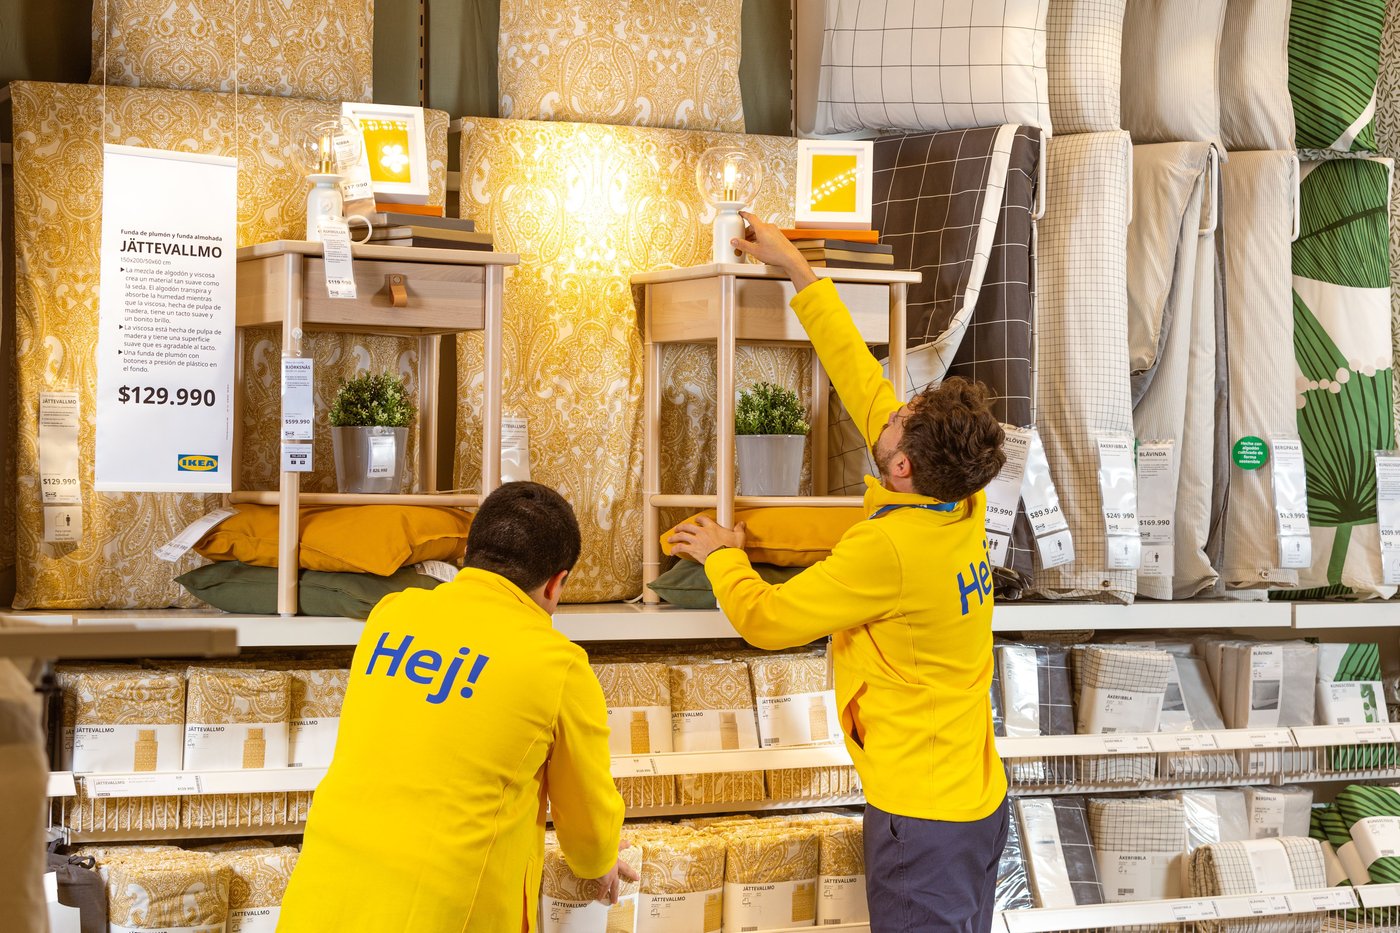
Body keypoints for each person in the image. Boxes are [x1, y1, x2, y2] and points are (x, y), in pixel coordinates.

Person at [667, 214, 1009, 933]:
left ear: (901, 466)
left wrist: (723, 553)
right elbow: (862, 381)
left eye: (899, 417)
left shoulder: (890, 550)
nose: (888, 408)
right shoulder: (961, 498)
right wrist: (798, 270)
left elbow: (768, 620)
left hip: (923, 819)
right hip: (973, 802)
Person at [279, 482, 634, 932]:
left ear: (467, 552)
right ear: (555, 583)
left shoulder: (391, 615)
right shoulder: (558, 664)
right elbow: (586, 818)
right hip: (444, 914)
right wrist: (599, 860)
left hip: (321, 900)